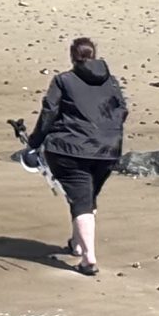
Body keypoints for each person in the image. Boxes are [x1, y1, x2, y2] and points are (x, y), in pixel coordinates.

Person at [25, 36, 127, 276]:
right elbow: (122, 110)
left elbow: (49, 112)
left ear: (72, 56)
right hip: (107, 150)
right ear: (94, 55)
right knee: (86, 198)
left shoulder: (63, 80)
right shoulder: (110, 81)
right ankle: (77, 244)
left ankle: (88, 259)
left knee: (81, 200)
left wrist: (34, 142)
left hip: (69, 150)